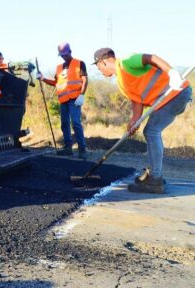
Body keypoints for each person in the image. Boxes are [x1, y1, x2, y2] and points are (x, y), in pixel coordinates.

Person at [93, 48, 192, 194]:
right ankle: (155, 175)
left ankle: (155, 179)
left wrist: (172, 73)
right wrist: (135, 120)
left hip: (176, 93)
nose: (99, 70)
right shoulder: (122, 81)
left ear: (103, 62)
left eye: (98, 66)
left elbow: (151, 58)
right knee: (151, 131)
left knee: (151, 131)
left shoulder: (126, 63)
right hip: (168, 99)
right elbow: (137, 100)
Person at [36, 42, 88, 157]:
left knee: (76, 123)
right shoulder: (59, 68)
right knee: (64, 124)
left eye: (65, 54)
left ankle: (82, 150)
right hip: (63, 100)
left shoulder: (79, 63)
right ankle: (68, 148)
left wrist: (82, 95)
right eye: (62, 55)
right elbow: (55, 83)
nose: (64, 57)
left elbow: (84, 80)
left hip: (75, 99)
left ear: (70, 52)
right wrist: (43, 78)